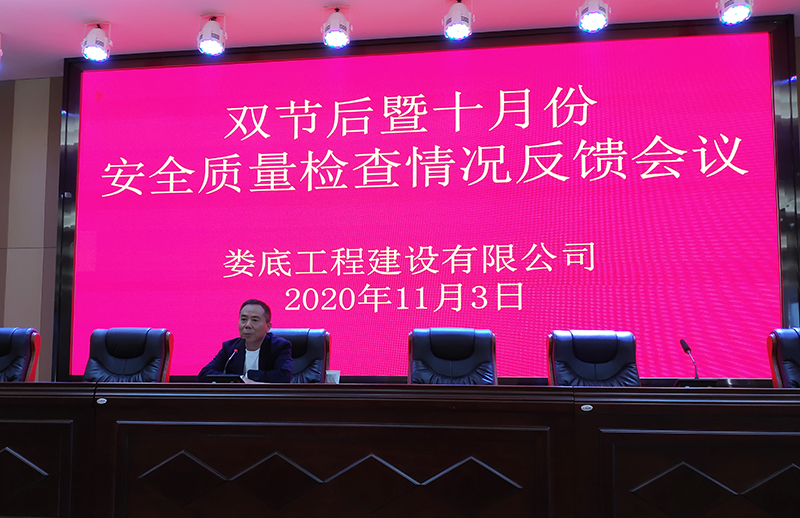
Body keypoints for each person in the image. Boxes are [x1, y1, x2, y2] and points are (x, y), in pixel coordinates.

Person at [198, 299, 292, 383]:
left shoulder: (279, 346)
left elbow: (284, 376)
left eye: (254, 320)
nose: (247, 325)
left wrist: (248, 376)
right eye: (243, 319)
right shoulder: (231, 348)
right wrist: (239, 378)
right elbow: (204, 374)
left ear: (268, 327)